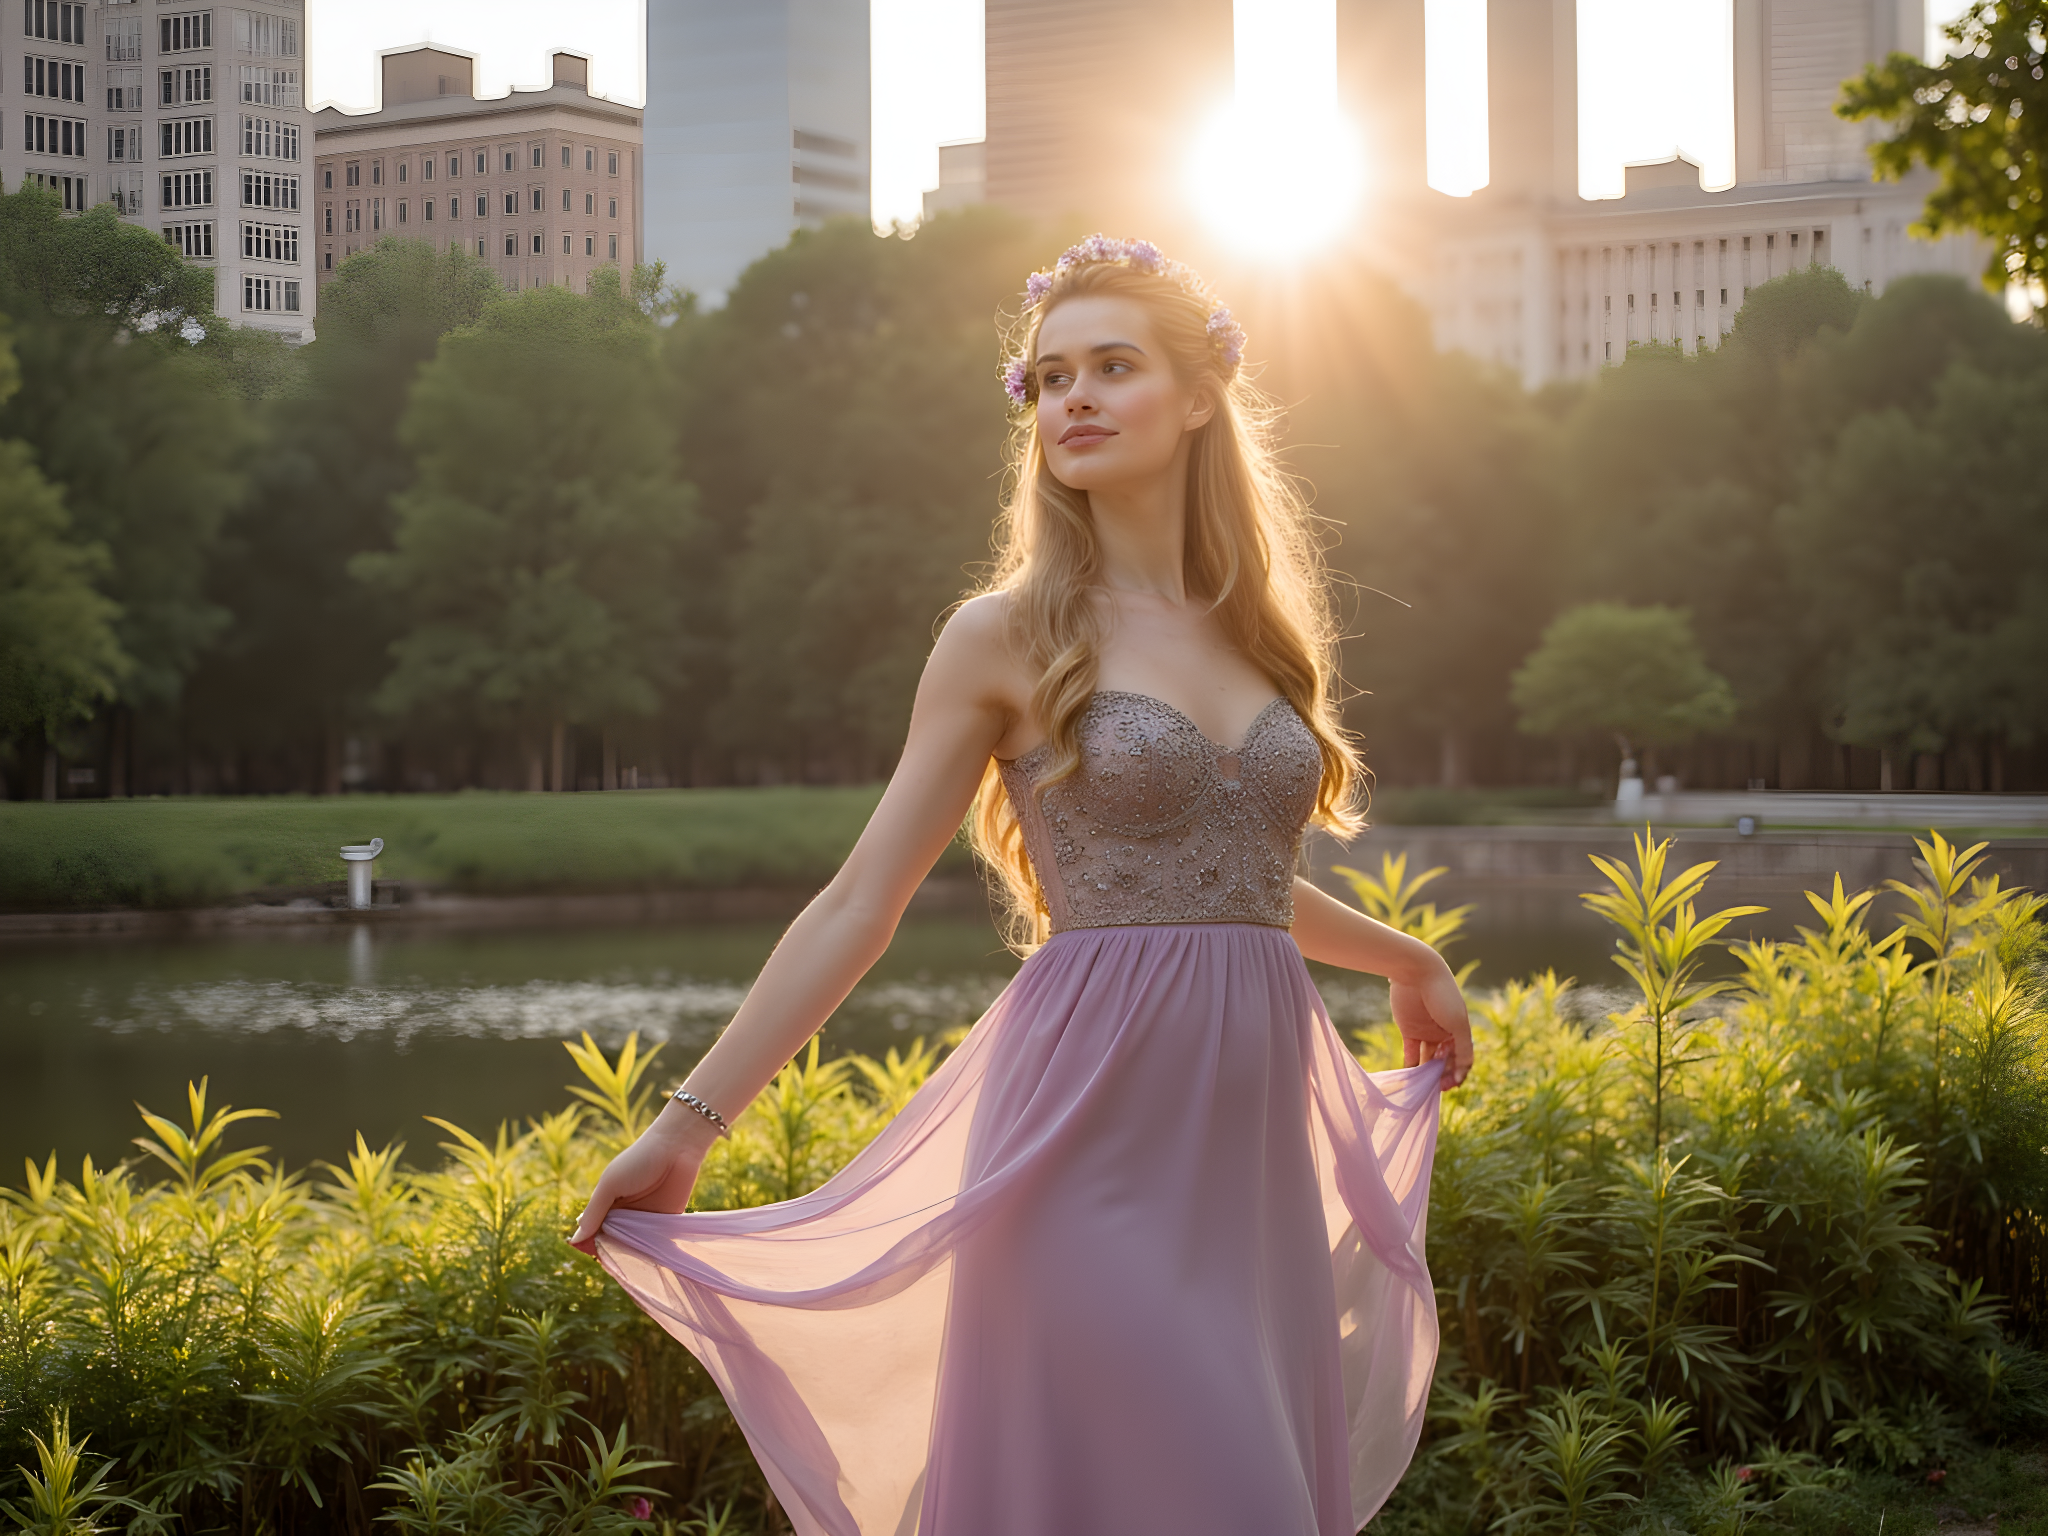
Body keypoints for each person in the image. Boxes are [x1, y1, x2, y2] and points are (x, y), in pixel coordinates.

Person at [570, 236, 1475, 1536]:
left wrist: (1404, 957)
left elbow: (1237, 882)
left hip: (1247, 1175)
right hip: (1082, 1154)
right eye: (1051, 378)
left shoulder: (1253, 631)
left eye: (1113, 367)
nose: (1075, 401)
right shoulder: (1003, 635)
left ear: (1203, 394)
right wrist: (689, 1121)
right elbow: (859, 902)